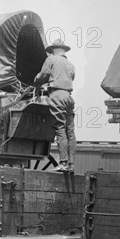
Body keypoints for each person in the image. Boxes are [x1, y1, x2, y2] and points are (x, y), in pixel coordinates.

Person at [34, 39, 76, 173]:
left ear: (54, 50)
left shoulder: (51, 60)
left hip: (56, 96)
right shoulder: (70, 64)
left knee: (59, 128)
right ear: (64, 50)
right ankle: (71, 164)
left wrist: (36, 81)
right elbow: (71, 78)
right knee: (70, 131)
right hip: (69, 97)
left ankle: (63, 162)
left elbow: (42, 76)